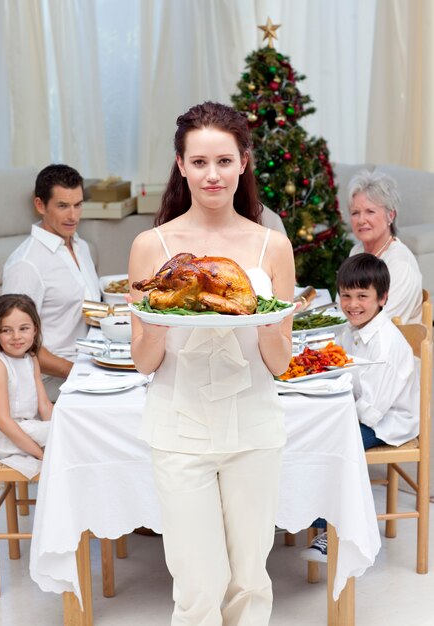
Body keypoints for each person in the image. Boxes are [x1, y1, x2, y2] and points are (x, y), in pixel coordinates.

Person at [128, 101, 295, 625]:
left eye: (223, 161)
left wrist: (268, 321)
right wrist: (157, 318)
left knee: (249, 579)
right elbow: (143, 362)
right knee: (197, 586)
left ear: (244, 162)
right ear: (180, 166)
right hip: (179, 426)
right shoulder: (151, 246)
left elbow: (280, 362)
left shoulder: (272, 245)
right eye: (199, 162)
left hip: (253, 424)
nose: (212, 174)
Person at [301, 253, 419, 563]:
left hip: (389, 423)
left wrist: (332, 408)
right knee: (308, 431)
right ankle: (306, 511)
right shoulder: (351, 330)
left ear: (382, 298)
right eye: (346, 295)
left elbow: (371, 413)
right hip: (363, 410)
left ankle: (333, 530)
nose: (353, 304)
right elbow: (344, 373)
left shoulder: (385, 345)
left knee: (329, 444)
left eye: (362, 296)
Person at [2, 164, 100, 401]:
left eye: (78, 205)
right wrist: (78, 373)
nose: (73, 216)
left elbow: (87, 310)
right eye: (63, 206)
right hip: (49, 382)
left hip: (88, 361)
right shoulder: (26, 265)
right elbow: (18, 345)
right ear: (40, 205)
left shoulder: (81, 246)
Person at [0, 294, 53, 473]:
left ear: (35, 329)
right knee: (72, 438)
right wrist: (40, 453)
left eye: (24, 328)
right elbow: (3, 421)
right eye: (6, 330)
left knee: (69, 429)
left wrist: (56, 426)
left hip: (27, 426)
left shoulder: (31, 358)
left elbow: (44, 404)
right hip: (5, 436)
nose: (16, 337)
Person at [347, 169, 422, 324]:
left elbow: (382, 324)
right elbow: (345, 307)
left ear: (391, 216)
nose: (361, 220)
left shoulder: (400, 264)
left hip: (391, 345)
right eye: (355, 213)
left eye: (370, 211)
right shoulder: (357, 251)